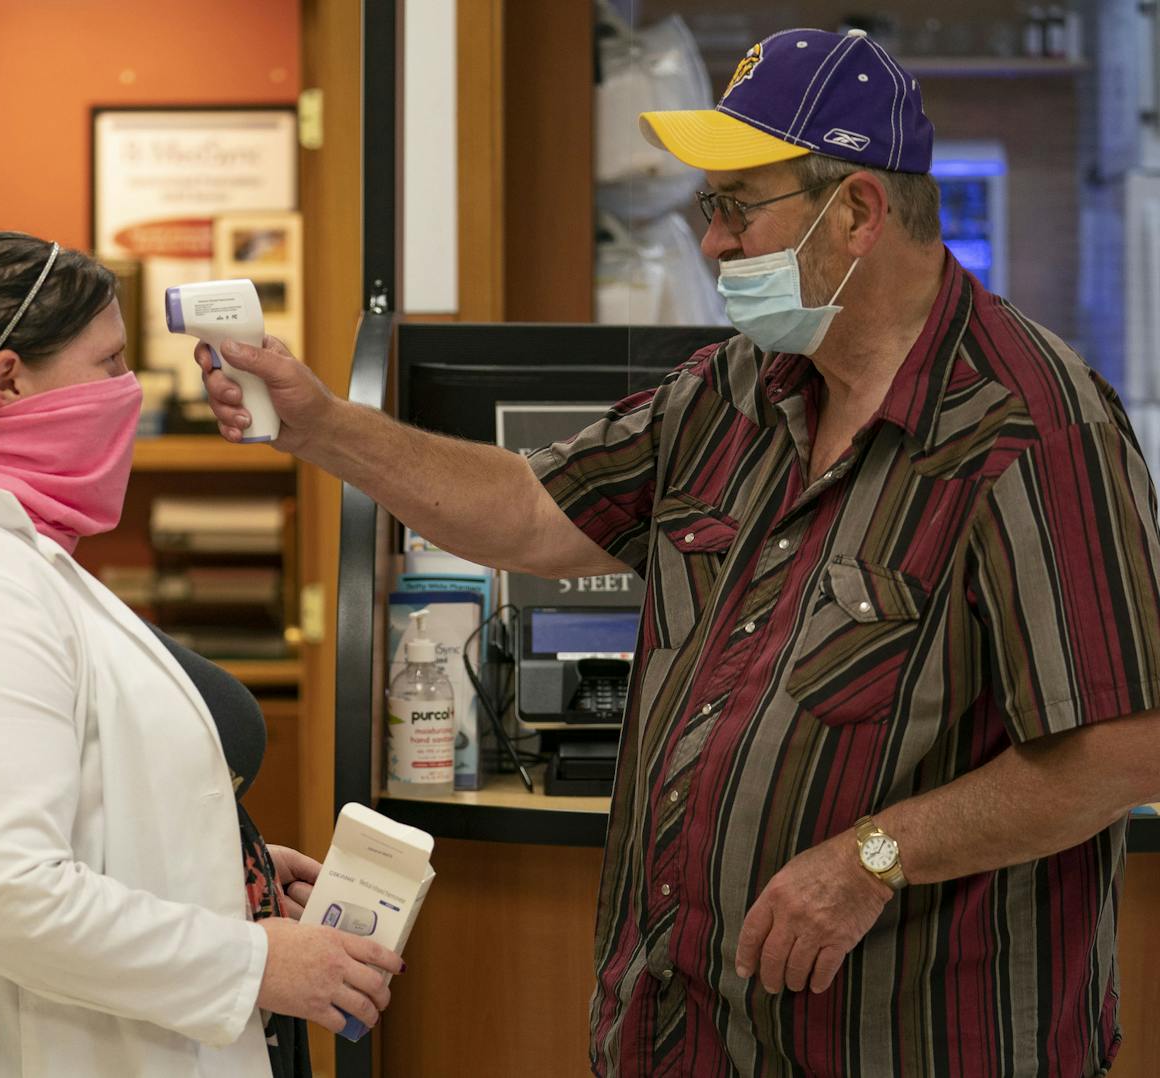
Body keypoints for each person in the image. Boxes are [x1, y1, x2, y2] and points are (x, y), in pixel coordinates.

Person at [201, 27, 1160, 1078]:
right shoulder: (730, 390)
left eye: (737, 206)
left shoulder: (1030, 428)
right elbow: (528, 510)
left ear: (855, 212)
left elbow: (1119, 747)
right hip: (684, 1028)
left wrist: (874, 857)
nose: (711, 244)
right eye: (711, 208)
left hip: (909, 1037)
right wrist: (320, 425)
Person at [0, 231, 402, 1078]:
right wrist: (252, 962)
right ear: (9, 379)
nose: (131, 390)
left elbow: (64, 784)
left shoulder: (13, 551)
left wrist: (208, 858)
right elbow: (2, 895)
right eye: (111, 361)